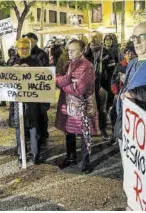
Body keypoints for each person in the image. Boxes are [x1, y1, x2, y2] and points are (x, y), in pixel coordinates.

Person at [55, 39, 98, 173]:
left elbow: (80, 88)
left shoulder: (87, 66)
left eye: (73, 50)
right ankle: (71, 157)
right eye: (68, 50)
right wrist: (67, 81)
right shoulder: (67, 64)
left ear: (82, 51)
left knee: (84, 134)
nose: (69, 52)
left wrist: (64, 85)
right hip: (67, 105)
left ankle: (86, 162)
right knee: (69, 132)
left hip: (82, 106)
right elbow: (56, 80)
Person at [8, 38, 45, 164]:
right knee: (19, 129)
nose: (24, 51)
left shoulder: (36, 61)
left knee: (34, 128)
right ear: (17, 49)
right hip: (17, 101)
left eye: (26, 48)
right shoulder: (11, 61)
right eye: (21, 48)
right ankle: (21, 153)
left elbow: (42, 80)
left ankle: (35, 154)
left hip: (33, 102)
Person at [22, 32, 50, 147]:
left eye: (29, 40)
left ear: (35, 41)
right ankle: (30, 135)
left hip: (39, 90)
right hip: (26, 90)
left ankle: (43, 135)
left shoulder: (41, 54)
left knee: (41, 113)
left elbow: (45, 72)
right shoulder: (22, 54)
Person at [84, 30, 111, 140]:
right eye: (91, 36)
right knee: (87, 108)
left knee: (102, 109)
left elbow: (111, 70)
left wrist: (107, 86)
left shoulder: (106, 53)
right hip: (88, 85)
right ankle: (88, 129)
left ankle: (102, 129)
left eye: (96, 37)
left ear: (101, 39)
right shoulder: (85, 52)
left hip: (101, 85)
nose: (93, 39)